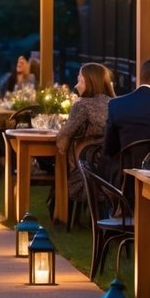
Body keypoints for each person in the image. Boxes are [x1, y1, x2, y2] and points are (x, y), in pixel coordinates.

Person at [57, 63, 115, 203]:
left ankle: (60, 206)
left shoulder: (82, 105)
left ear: (89, 81)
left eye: (80, 79)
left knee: (55, 161)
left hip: (87, 167)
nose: (77, 84)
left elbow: (64, 135)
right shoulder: (114, 103)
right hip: (110, 166)